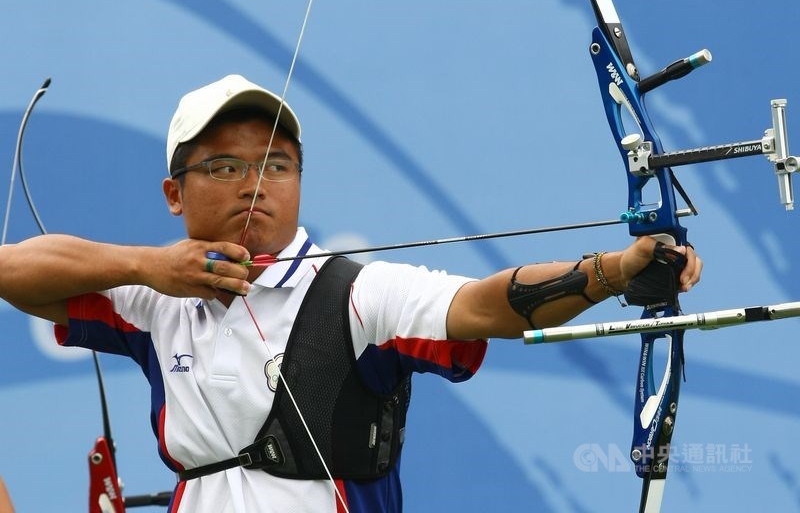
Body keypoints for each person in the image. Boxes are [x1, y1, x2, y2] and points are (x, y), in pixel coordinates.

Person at [0, 74, 701, 512]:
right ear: (173, 194)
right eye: (224, 166)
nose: (255, 183)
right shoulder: (153, 299)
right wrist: (148, 267)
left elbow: (486, 305)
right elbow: (14, 269)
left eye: (277, 163)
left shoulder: (358, 294)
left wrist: (614, 269)